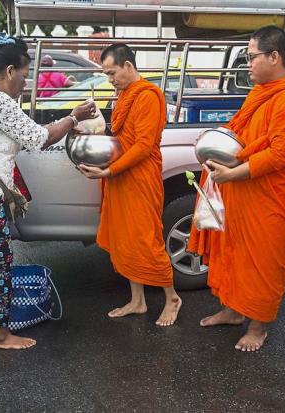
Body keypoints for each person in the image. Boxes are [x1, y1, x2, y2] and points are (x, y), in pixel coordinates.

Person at [0, 34, 97, 350]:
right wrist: (74, 117)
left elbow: (23, 128)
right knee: (0, 262)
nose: (25, 82)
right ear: (10, 71)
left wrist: (67, 124)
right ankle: (0, 335)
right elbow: (39, 138)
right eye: (25, 74)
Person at [187, 26, 285, 351]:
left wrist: (235, 175)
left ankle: (258, 326)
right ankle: (232, 311)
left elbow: (279, 154)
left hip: (270, 197)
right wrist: (210, 145)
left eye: (251, 56)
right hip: (243, 193)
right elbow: (238, 133)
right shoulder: (261, 92)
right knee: (234, 256)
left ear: (274, 56)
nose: (247, 64)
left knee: (263, 262)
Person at [78, 44, 182, 327]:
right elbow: (120, 136)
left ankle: (172, 298)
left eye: (112, 73)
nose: (110, 79)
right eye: (106, 74)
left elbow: (144, 146)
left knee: (147, 239)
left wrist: (109, 170)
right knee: (125, 239)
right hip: (121, 176)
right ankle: (138, 301)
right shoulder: (123, 95)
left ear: (128, 66)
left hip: (140, 176)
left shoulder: (148, 95)